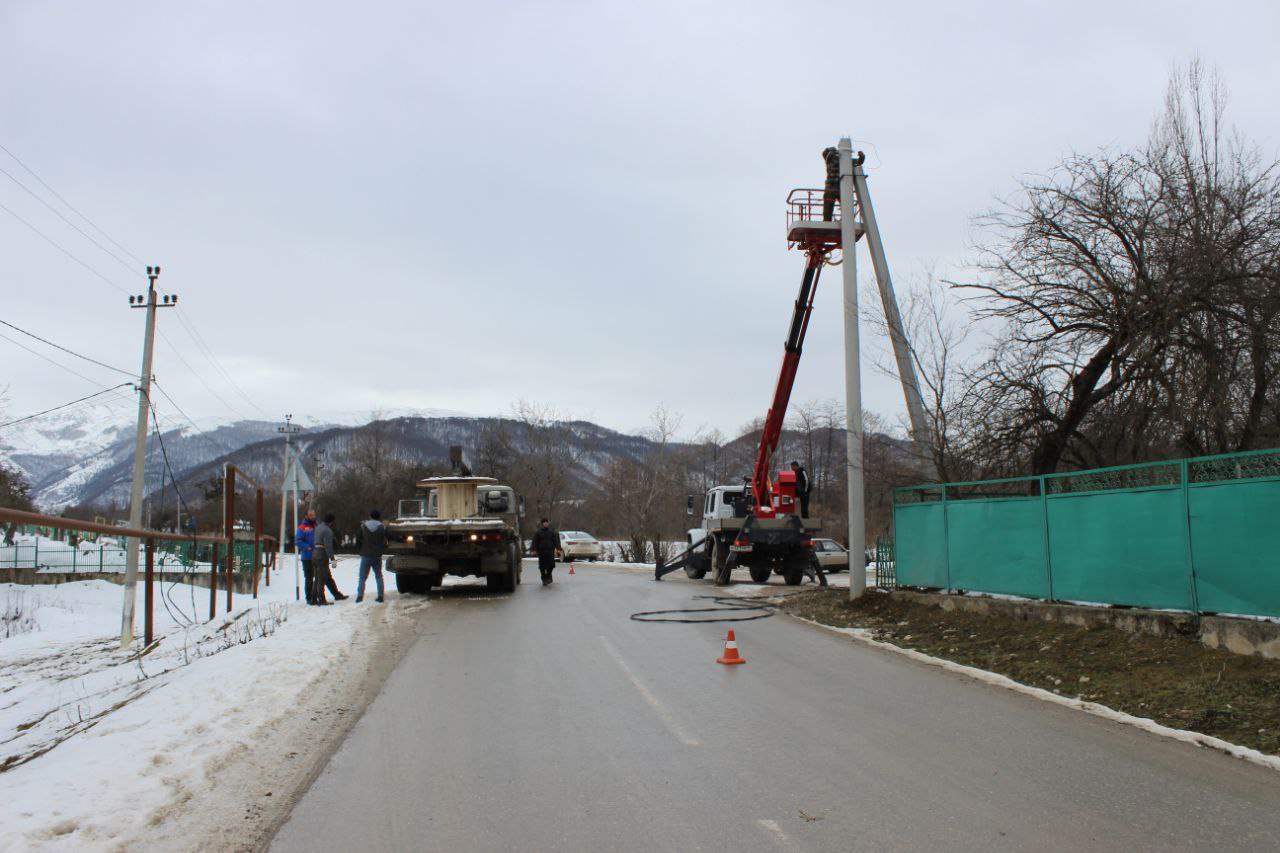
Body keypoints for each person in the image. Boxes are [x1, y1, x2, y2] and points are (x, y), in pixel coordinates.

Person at [312, 512, 348, 604]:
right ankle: (321, 599)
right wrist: (332, 559)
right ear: (332, 522)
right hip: (322, 555)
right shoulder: (327, 531)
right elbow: (328, 546)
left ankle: (336, 595)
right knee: (321, 578)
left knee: (325, 577)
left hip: (315, 554)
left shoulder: (318, 527)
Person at [355, 509, 386, 603]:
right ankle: (380, 596)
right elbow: (388, 537)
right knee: (379, 576)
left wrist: (359, 549)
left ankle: (359, 597)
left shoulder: (364, 526)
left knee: (362, 577)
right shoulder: (382, 527)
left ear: (370, 516)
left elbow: (358, 538)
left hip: (366, 555)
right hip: (377, 555)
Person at [529, 518, 561, 586]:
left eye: (547, 522)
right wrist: (534, 550)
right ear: (542, 524)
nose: (546, 523)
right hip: (541, 552)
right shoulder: (538, 532)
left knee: (551, 565)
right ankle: (544, 578)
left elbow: (556, 541)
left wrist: (558, 549)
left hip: (550, 551)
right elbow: (535, 542)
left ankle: (548, 575)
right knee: (542, 566)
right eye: (544, 522)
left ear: (548, 523)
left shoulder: (551, 532)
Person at [297, 510, 318, 605]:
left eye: (313, 515)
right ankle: (309, 597)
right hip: (307, 557)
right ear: (306, 516)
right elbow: (297, 541)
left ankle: (316, 595)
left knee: (317, 577)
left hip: (317, 556)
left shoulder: (316, 526)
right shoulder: (302, 527)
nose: (313, 516)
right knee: (309, 578)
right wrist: (307, 547)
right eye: (310, 515)